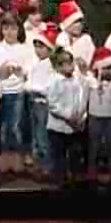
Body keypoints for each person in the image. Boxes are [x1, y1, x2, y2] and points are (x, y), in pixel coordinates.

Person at [0, 11, 31, 175]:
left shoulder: (24, 48)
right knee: (4, 128)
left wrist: (20, 70)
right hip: (2, 92)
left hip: (18, 91)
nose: (9, 32)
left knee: (16, 127)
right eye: (6, 28)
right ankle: (5, 163)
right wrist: (1, 70)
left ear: (19, 30)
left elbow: (29, 69)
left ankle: (18, 162)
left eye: (13, 28)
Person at [46, 47, 87, 187]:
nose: (71, 66)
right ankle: (60, 179)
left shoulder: (76, 81)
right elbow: (53, 105)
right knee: (59, 155)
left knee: (75, 153)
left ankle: (75, 177)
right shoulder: (55, 82)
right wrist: (68, 116)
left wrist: (81, 116)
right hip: (58, 128)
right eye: (67, 64)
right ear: (58, 67)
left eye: (71, 63)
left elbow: (82, 99)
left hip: (74, 126)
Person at [26, 24, 58, 181]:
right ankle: (39, 165)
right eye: (36, 47)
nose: (38, 50)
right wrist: (28, 87)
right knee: (36, 136)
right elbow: (30, 80)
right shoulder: (35, 63)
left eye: (42, 47)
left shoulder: (51, 66)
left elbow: (50, 86)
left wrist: (36, 88)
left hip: (44, 103)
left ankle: (48, 167)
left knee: (43, 136)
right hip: (34, 102)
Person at [86, 47, 111, 182]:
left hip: (110, 116)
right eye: (105, 68)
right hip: (95, 116)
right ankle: (92, 171)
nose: (108, 71)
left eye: (110, 68)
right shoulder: (91, 82)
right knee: (94, 144)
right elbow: (85, 97)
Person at [55, 0, 95, 68]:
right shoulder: (61, 39)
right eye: (75, 22)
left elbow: (91, 60)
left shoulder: (86, 39)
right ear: (67, 24)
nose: (79, 25)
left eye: (80, 21)